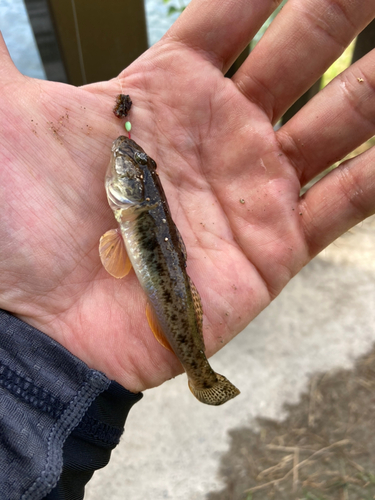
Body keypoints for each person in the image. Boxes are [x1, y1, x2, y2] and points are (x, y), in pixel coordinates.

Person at [0, 0, 374, 497]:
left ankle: (201, 371)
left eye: (133, 174)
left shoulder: (133, 203)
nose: (124, 165)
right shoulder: (131, 203)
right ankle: (200, 369)